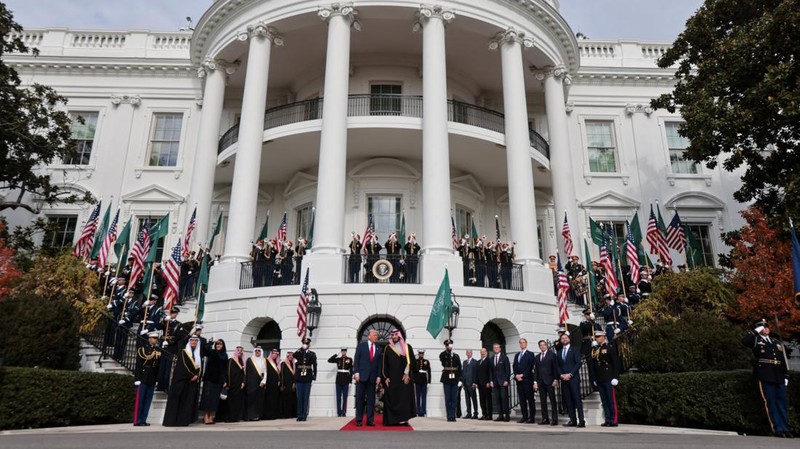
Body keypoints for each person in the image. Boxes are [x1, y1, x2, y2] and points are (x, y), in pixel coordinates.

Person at [742, 319, 792, 438]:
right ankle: (777, 429)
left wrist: (785, 375)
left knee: (782, 403)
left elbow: (782, 360)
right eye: (763, 327)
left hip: (778, 375)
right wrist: (755, 332)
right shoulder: (755, 340)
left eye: (767, 326)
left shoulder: (775, 342)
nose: (766, 328)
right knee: (771, 403)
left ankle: (785, 428)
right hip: (765, 374)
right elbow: (744, 341)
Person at [162, 335, 202, 426]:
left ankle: (183, 421)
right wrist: (192, 375)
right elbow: (183, 366)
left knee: (187, 402)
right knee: (178, 401)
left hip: (191, 382)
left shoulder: (197, 354)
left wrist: (197, 375)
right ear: (189, 341)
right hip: (181, 381)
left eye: (196, 341)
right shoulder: (184, 352)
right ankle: (173, 421)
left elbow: (199, 367)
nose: (194, 342)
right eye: (192, 340)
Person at [381, 329, 417, 426]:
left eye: (396, 335)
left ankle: (404, 420)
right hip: (392, 379)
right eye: (392, 335)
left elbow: (412, 362)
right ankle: (392, 421)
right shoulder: (388, 348)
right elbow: (384, 365)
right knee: (392, 398)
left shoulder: (407, 347)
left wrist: (407, 373)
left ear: (400, 336)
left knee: (404, 399)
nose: (394, 336)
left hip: (404, 378)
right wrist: (385, 377)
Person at [592, 330, 621, 427]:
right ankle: (608, 419)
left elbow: (615, 363)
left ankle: (614, 419)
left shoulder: (609, 347)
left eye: (599, 336)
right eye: (596, 337)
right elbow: (595, 364)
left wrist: (615, 377)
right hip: (600, 377)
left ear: (604, 337)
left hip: (609, 377)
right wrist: (595, 378)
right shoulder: (596, 349)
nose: (597, 338)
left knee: (611, 400)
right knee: (604, 401)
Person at [353, 329, 381, 427]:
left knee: (371, 400)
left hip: (372, 378)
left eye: (377, 336)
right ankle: (359, 420)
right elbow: (356, 360)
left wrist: (378, 376)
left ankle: (370, 420)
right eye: (374, 335)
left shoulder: (378, 348)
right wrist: (356, 373)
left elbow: (379, 364)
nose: (376, 337)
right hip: (361, 377)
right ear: (369, 336)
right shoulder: (361, 346)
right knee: (360, 399)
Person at [557, 333, 585, 428]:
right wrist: (561, 375)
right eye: (562, 338)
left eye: (566, 338)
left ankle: (581, 420)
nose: (564, 339)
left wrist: (570, 374)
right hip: (564, 380)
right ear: (561, 340)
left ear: (569, 339)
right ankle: (572, 420)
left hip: (573, 379)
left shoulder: (575, 350)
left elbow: (578, 363)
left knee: (577, 400)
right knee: (568, 400)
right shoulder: (559, 352)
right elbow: (558, 366)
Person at [133, 331, 161, 426]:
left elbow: (157, 366)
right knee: (140, 400)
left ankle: (144, 419)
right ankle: (138, 420)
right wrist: (137, 378)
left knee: (148, 400)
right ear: (149, 339)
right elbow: (139, 365)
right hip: (143, 376)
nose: (155, 340)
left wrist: (157, 379)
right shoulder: (143, 350)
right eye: (153, 338)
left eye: (156, 338)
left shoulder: (158, 350)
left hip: (152, 377)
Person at [199, 339, 228, 424]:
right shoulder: (212, 352)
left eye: (220, 344)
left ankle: (211, 416)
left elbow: (225, 368)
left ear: (223, 346)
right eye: (217, 344)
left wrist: (225, 379)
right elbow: (204, 348)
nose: (218, 346)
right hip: (209, 379)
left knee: (214, 399)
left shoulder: (224, 355)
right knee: (207, 398)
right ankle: (205, 416)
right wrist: (211, 342)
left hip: (219, 380)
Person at [156, 307, 184, 392]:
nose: (173, 314)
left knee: (167, 367)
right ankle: (159, 384)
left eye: (175, 313)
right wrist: (164, 320)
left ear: (176, 314)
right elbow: (158, 327)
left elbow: (179, 336)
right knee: (161, 365)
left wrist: (170, 342)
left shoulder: (179, 324)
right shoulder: (166, 322)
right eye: (172, 313)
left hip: (171, 347)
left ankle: (165, 385)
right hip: (163, 346)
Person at [533, 340, 559, 425]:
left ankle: (554, 419)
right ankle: (545, 419)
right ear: (539, 347)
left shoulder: (552, 355)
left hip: (550, 381)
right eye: (541, 345)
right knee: (543, 401)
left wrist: (556, 379)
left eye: (544, 345)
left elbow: (555, 368)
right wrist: (535, 382)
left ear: (546, 345)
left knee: (552, 400)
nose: (542, 346)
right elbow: (536, 370)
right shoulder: (537, 357)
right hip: (541, 382)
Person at [293, 338, 317, 421]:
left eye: (306, 344)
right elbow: (294, 355)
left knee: (306, 396)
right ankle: (299, 415)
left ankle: (304, 415)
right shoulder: (299, 352)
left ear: (309, 345)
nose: (305, 345)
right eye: (304, 343)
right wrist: (301, 349)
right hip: (299, 376)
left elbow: (314, 365)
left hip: (308, 377)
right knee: (299, 396)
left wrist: (315, 376)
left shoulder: (312, 354)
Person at [513, 338, 536, 423]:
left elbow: (530, 366)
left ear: (526, 344)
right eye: (520, 343)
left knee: (530, 400)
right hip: (519, 381)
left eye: (523, 343)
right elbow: (514, 366)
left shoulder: (530, 354)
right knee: (522, 400)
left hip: (527, 380)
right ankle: (524, 416)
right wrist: (516, 375)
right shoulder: (517, 355)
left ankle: (531, 417)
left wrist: (522, 375)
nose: (522, 344)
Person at [439, 339, 462, 422]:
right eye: (448, 345)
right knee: (448, 398)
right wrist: (448, 353)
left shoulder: (456, 356)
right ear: (446, 346)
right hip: (446, 379)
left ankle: (453, 415)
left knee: (454, 398)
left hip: (455, 378)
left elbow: (459, 367)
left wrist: (460, 379)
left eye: (451, 345)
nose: (450, 346)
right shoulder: (443, 354)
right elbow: (443, 362)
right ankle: (449, 415)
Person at [328, 346, 353, 417]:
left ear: (346, 351)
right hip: (338, 379)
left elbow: (351, 370)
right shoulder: (338, 359)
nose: (343, 352)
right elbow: (329, 360)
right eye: (342, 351)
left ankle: (344, 411)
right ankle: (339, 412)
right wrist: (336, 354)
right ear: (341, 351)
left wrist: (350, 381)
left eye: (345, 351)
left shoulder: (350, 359)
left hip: (346, 379)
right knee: (338, 396)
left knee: (345, 397)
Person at [245, 347, 267, 421]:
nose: (257, 352)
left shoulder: (263, 360)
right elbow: (246, 372)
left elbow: (265, 372)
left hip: (260, 383)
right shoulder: (249, 360)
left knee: (259, 399)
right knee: (251, 399)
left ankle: (258, 415)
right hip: (251, 383)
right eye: (256, 350)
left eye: (259, 351)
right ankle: (251, 415)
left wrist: (263, 381)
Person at [225, 345, 247, 422]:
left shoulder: (243, 361)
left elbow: (244, 373)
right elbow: (227, 372)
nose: (239, 352)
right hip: (232, 384)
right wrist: (228, 383)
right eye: (238, 350)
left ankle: (236, 417)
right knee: (231, 402)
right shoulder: (231, 360)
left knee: (238, 402)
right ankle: (230, 417)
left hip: (239, 385)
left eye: (241, 350)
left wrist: (243, 382)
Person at [490, 342, 510, 422]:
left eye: (497, 347)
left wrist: (506, 380)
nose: (496, 349)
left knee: (504, 399)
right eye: (494, 348)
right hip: (495, 382)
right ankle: (500, 415)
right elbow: (490, 371)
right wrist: (491, 380)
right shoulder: (491, 359)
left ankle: (507, 416)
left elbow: (508, 370)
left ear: (500, 348)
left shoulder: (504, 358)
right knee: (497, 399)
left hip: (503, 382)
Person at [261, 348, 282, 420]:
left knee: (274, 399)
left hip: (275, 384)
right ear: (271, 353)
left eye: (276, 354)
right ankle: (268, 415)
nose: (275, 355)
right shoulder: (266, 361)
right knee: (268, 400)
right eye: (274, 353)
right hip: (269, 383)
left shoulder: (277, 362)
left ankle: (273, 414)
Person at [476, 347, 493, 420]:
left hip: (486, 383)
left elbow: (490, 372)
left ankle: (489, 415)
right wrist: (476, 382)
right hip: (480, 383)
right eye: (481, 352)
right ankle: (484, 414)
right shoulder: (478, 361)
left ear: (486, 352)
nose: (482, 353)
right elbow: (477, 373)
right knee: (482, 400)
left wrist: (489, 381)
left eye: (484, 351)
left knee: (488, 400)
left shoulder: (489, 360)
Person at [461, 349, 479, 419]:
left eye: (469, 353)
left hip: (472, 383)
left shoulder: (475, 362)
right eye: (467, 353)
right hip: (465, 383)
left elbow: (475, 373)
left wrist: (474, 382)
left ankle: (475, 413)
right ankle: (469, 413)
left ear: (472, 353)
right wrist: (463, 382)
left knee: (474, 399)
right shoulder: (465, 362)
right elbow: (463, 373)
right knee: (467, 399)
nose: (468, 354)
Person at [280, 351, 298, 418]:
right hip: (286, 385)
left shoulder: (294, 364)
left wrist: (294, 383)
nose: (291, 357)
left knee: (293, 400)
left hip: (293, 384)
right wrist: (282, 385)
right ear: (287, 356)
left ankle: (293, 414)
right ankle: (286, 414)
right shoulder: (284, 363)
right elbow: (281, 375)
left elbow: (296, 375)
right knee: (286, 400)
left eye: (292, 356)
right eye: (289, 356)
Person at [413, 349, 431, 417]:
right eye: (420, 354)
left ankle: (423, 411)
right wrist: (414, 380)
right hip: (417, 380)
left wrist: (429, 381)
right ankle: (417, 411)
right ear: (418, 354)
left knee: (424, 397)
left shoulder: (426, 361)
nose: (421, 355)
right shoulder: (416, 361)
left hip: (424, 381)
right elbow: (414, 372)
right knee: (417, 396)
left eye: (422, 354)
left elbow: (429, 372)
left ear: (423, 354)